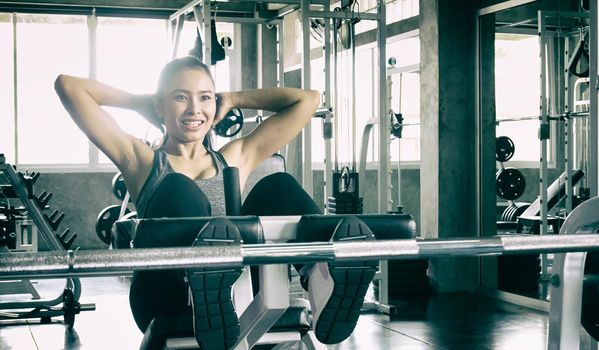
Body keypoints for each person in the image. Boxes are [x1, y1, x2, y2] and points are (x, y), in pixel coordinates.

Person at [55, 56, 377, 350]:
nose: (195, 110)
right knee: (179, 191)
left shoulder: (234, 159)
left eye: (204, 98)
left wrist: (234, 99)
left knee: (278, 186)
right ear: (161, 106)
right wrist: (146, 103)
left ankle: (323, 282)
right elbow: (68, 86)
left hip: (235, 296)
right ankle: (204, 290)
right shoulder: (141, 160)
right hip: (166, 295)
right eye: (181, 97)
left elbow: (308, 100)